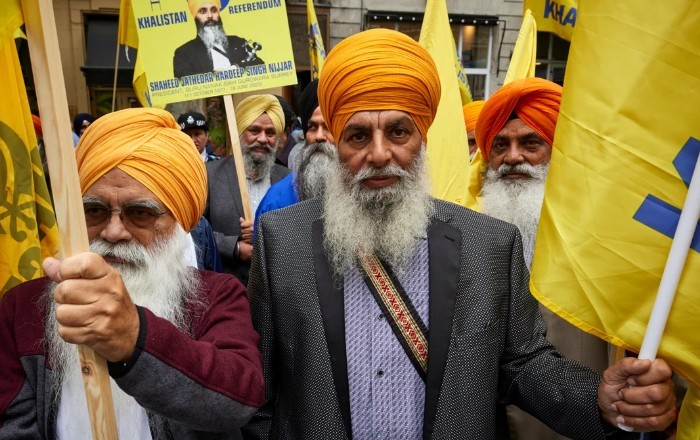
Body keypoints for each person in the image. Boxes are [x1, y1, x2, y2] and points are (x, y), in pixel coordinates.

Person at [244, 29, 675, 440]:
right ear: (338, 143)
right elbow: (257, 386)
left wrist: (601, 399)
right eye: (358, 135)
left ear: (422, 137)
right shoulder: (282, 239)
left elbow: (524, 365)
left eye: (398, 131)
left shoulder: (489, 244)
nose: (379, 154)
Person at [0, 108, 264, 439]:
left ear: (181, 222)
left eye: (140, 213)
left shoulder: (217, 296)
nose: (113, 231)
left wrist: (134, 339)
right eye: (94, 210)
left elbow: (238, 402)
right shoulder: (23, 306)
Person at [476, 77, 619, 440]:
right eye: (500, 145)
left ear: (558, 152)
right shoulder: (468, 237)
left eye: (530, 143)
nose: (513, 157)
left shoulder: (603, 242)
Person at [204, 94, 289, 283]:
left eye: (270, 132)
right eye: (254, 130)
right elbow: (194, 230)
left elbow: (300, 235)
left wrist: (265, 232)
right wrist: (234, 247)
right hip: (227, 289)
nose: (262, 139)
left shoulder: (289, 179)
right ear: (241, 132)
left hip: (277, 288)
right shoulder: (210, 175)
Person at [253, 79, 337, 233]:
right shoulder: (276, 201)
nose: (319, 136)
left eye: (328, 127)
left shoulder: (365, 191)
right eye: (312, 127)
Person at [173, 0, 264, 79]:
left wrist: (236, 68)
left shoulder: (238, 42)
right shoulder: (184, 53)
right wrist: (216, 76)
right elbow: (183, 79)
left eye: (214, 10)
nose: (210, 16)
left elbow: (260, 65)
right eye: (203, 11)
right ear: (195, 16)